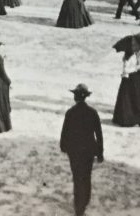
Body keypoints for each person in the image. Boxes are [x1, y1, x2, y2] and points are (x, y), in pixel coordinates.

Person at [60, 84, 103, 216]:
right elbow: (99, 134)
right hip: (89, 150)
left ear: (75, 97)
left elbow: (65, 132)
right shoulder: (93, 113)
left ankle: (78, 205)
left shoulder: (70, 112)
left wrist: (63, 146)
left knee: (77, 177)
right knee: (86, 176)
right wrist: (100, 152)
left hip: (74, 151)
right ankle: (84, 202)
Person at [112, 46, 140, 128]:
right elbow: (126, 70)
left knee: (127, 101)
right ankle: (136, 120)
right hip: (130, 80)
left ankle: (126, 119)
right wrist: (139, 67)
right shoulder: (129, 57)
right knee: (133, 100)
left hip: (129, 80)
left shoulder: (129, 56)